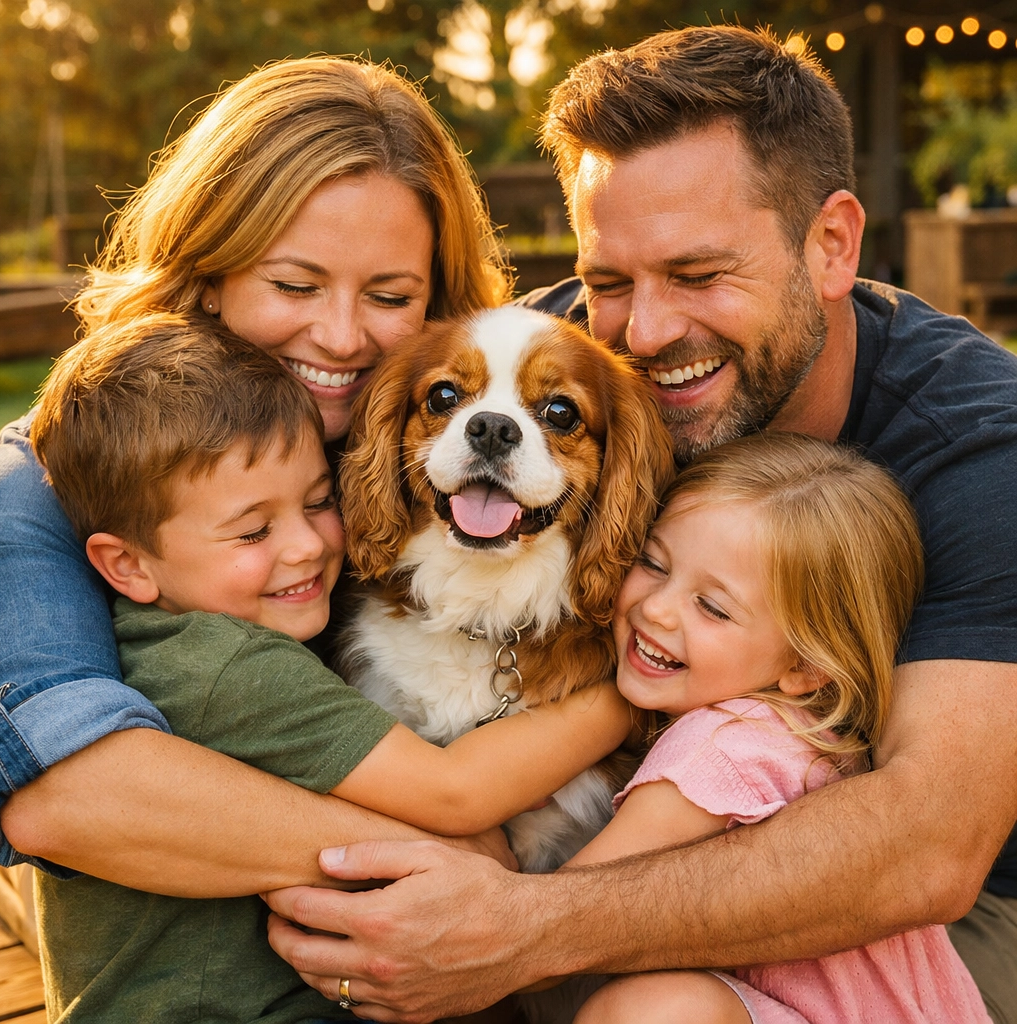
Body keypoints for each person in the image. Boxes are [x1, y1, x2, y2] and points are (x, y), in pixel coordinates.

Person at [260, 25, 1017, 1024]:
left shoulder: (981, 446)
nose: (645, 333)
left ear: (830, 242)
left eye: (698, 274)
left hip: (911, 939)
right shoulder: (562, 361)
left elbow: (928, 849)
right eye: (609, 280)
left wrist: (518, 925)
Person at [0, 55, 518, 894]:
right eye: (294, 284)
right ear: (207, 275)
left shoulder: (466, 451)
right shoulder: (51, 476)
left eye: (389, 296)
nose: (342, 337)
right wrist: (462, 860)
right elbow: (65, 794)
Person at [28, 313, 628, 1024]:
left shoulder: (257, 637)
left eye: (558, 413)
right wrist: (627, 699)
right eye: (445, 399)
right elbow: (456, 799)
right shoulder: (234, 669)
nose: (308, 546)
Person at [566, 432, 987, 1024]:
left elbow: (566, 913)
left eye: (713, 608)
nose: (657, 608)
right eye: (653, 562)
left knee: (649, 1011)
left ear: (804, 666)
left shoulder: (721, 743)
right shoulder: (817, 741)